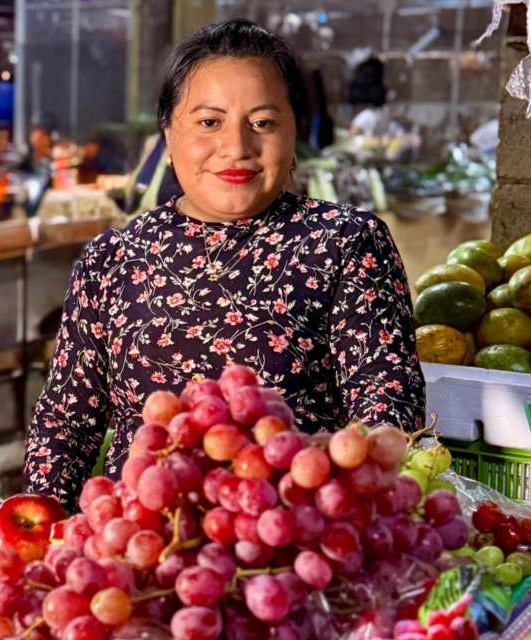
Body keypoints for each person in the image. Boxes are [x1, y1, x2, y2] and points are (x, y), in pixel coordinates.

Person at [24, 20, 425, 510]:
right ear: (168, 134)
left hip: (291, 534)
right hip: (145, 538)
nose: (237, 148)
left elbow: (387, 414)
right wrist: (41, 529)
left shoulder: (345, 242)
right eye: (209, 122)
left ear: (294, 131)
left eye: (263, 123)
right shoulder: (112, 259)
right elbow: (64, 427)